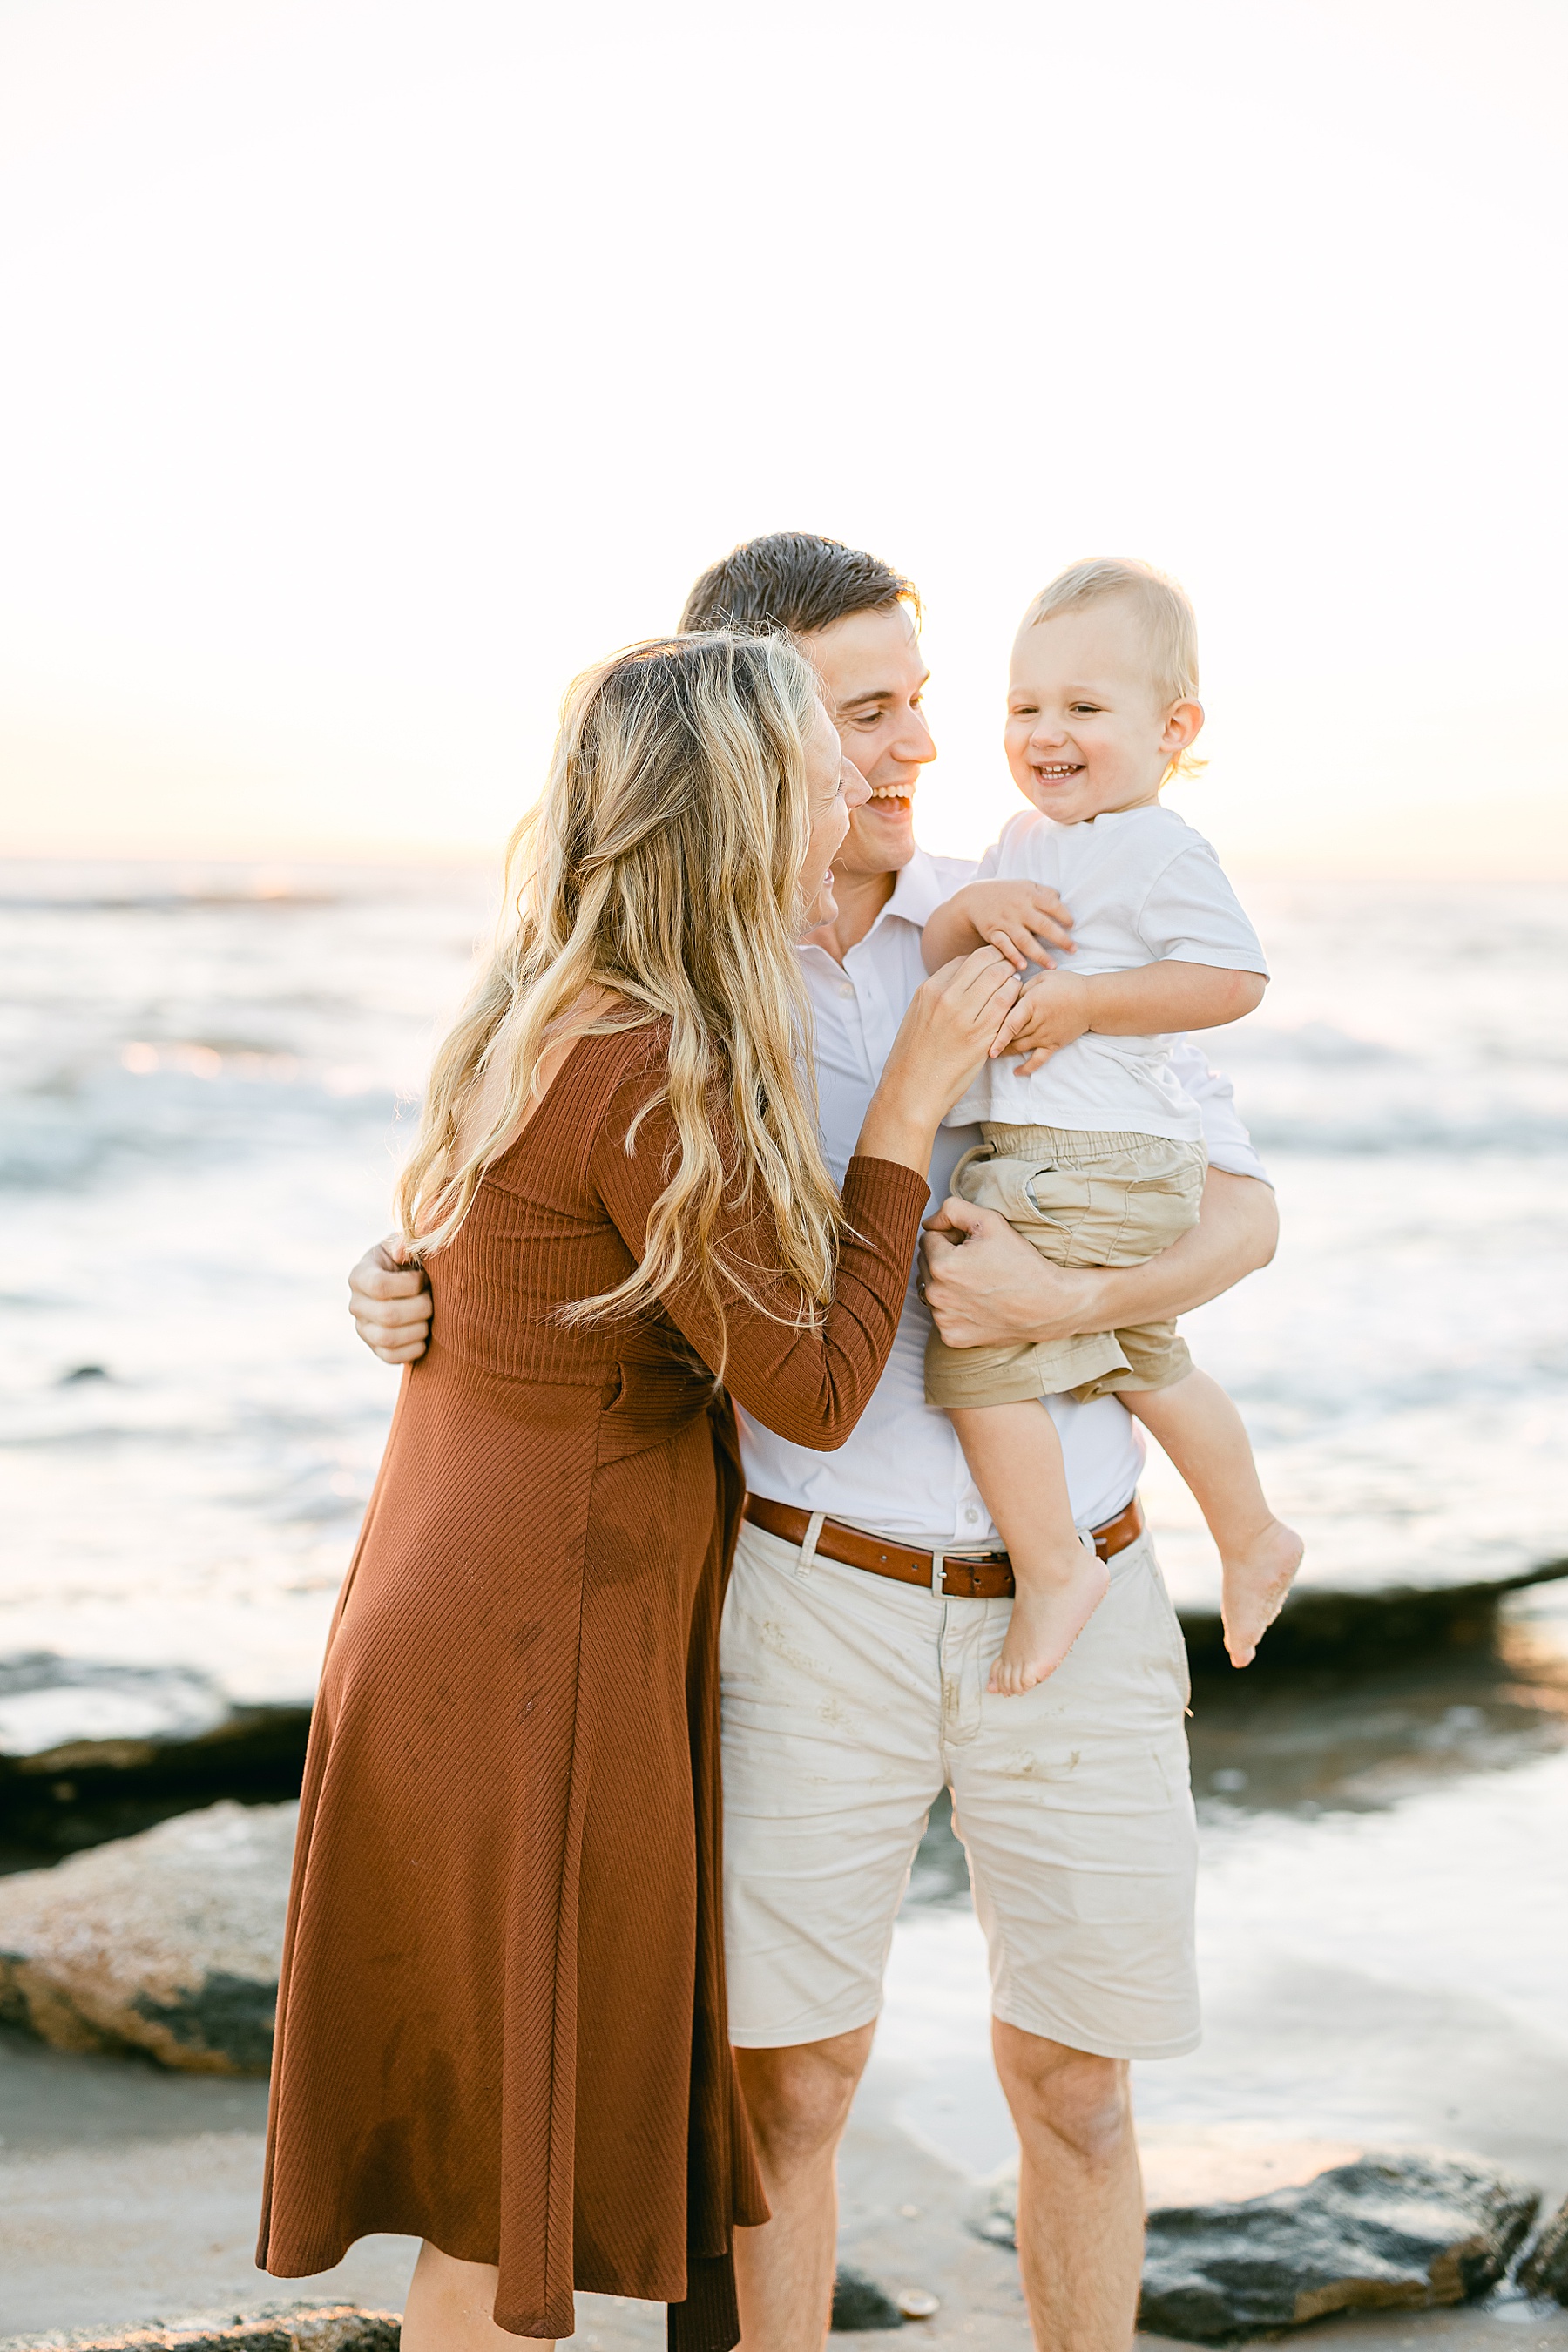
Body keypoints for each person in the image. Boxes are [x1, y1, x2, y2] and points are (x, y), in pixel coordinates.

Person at [349, 535, 1283, 2352]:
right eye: (864, 713)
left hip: (1074, 1577)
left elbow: (1243, 1216)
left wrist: (1068, 1308)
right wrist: (404, 1291)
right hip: (809, 1603)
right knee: (788, 2096)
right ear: (760, 736)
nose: (916, 747)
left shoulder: (1029, 901)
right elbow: (531, 1198)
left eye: (920, 701)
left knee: (1079, 2089)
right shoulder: (689, 966)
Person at [262, 628, 1023, 2352]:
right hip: (543, 1649)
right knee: (501, 2183)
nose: (851, 776)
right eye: (813, 757)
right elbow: (815, 1390)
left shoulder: (539, 1004)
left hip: (453, 1613)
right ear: (732, 804)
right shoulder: (650, 1061)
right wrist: (908, 1108)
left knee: (494, 2151)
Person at [921, 558, 1301, 1695]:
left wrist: (1086, 1003)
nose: (1048, 733)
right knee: (1145, 1360)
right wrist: (967, 909)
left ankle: (1054, 1569)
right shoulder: (1025, 841)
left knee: (978, 1349)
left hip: (1088, 1155)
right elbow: (946, 951)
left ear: (1172, 727)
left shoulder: (1156, 844)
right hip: (1081, 1156)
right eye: (1025, 707)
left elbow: (1234, 978)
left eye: (1085, 709)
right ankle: (1253, 1534)